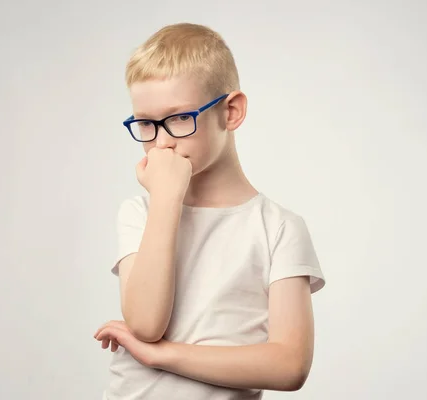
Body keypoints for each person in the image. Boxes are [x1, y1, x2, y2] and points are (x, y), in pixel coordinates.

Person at [94, 22, 326, 400]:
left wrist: (163, 356)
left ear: (231, 112)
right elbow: (146, 323)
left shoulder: (279, 228)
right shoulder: (139, 213)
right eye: (146, 125)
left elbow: (290, 366)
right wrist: (167, 199)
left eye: (180, 118)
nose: (162, 142)